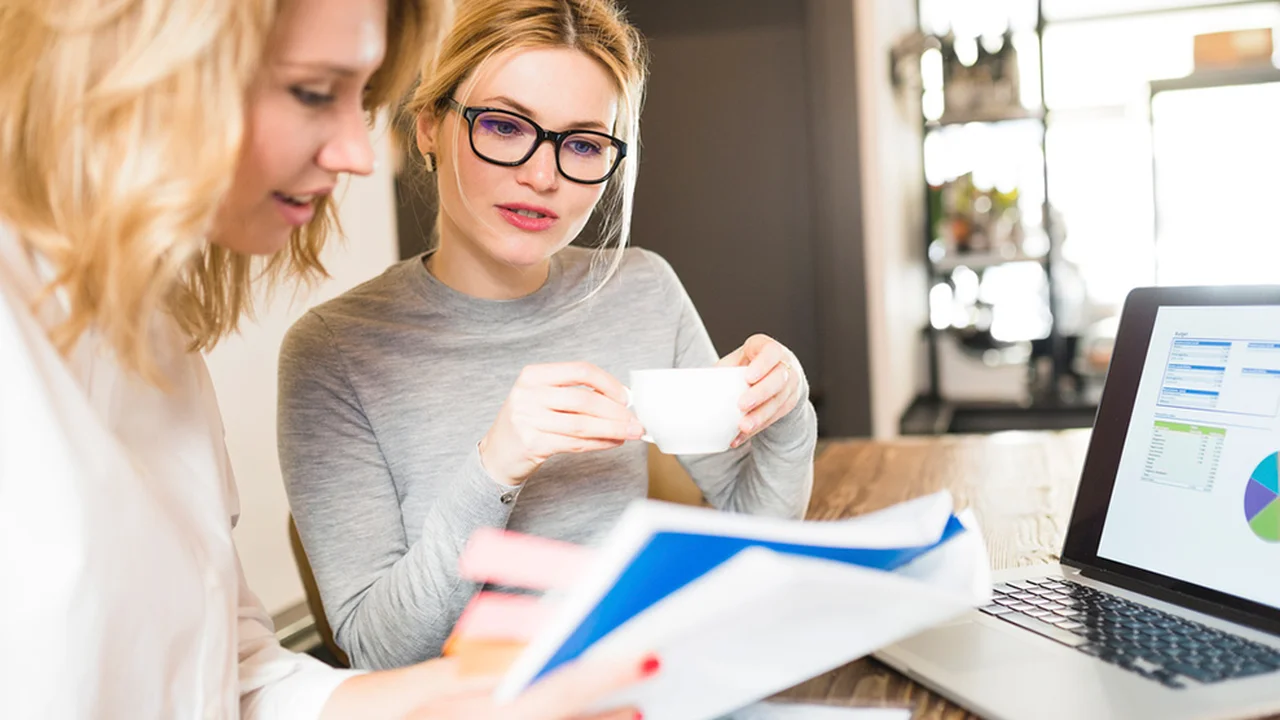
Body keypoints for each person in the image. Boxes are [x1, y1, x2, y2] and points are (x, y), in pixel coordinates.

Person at [0, 0, 654, 717]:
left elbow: (234, 670)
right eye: (314, 92)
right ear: (143, 70)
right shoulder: (332, 351)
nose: (360, 154)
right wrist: (492, 469)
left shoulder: (159, 331)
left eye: (361, 97)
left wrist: (457, 696)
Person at [278, 0, 818, 671]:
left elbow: (755, 532)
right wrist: (496, 464)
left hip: (644, 681)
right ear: (428, 125)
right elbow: (377, 652)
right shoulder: (333, 353)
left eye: (584, 144)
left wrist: (790, 412)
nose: (543, 175)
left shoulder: (642, 289)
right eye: (504, 126)